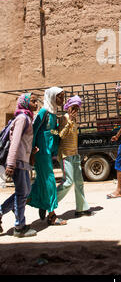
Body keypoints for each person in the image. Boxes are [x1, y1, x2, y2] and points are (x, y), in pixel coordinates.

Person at [0, 93, 39, 237]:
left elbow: (22, 141)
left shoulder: (27, 117)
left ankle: (2, 213)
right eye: (33, 101)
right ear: (25, 103)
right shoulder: (22, 118)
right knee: (23, 193)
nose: (36, 104)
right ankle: (19, 227)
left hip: (22, 160)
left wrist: (31, 150)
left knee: (24, 192)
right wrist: (10, 164)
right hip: (17, 162)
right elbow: (15, 141)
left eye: (36, 101)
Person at [27, 87, 67, 226]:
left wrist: (60, 134)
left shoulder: (53, 113)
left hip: (48, 152)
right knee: (50, 180)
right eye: (60, 97)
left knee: (41, 182)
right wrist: (31, 152)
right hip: (40, 152)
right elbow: (34, 131)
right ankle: (52, 215)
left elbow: (52, 131)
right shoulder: (44, 112)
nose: (62, 100)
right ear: (52, 97)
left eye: (63, 97)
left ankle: (21, 202)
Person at [56, 96, 94, 217]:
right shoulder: (64, 118)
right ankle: (50, 203)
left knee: (79, 182)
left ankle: (81, 208)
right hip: (65, 154)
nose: (75, 110)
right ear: (68, 107)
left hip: (74, 154)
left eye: (77, 108)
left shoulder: (75, 120)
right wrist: (70, 121)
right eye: (74, 107)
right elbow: (61, 135)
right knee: (68, 182)